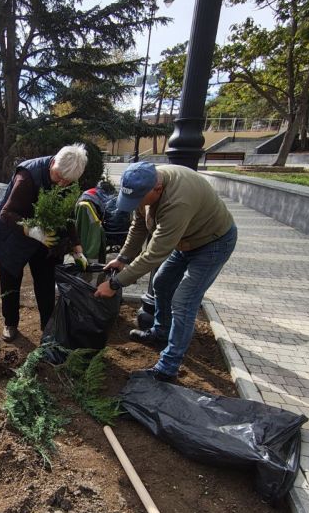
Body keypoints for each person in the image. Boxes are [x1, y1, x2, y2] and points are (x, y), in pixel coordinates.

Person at [95, 161, 237, 382]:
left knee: (184, 301)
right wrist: (122, 258)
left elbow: (154, 254)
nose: (135, 205)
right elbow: (139, 227)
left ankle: (168, 367)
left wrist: (115, 284)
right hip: (184, 240)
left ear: (157, 189)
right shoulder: (145, 186)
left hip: (212, 243)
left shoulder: (177, 202)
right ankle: (161, 332)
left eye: (138, 200)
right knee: (161, 282)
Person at [0, 144, 88, 341]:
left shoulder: (66, 178)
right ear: (54, 162)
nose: (62, 184)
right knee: (10, 280)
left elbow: (67, 215)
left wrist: (76, 248)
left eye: (67, 181)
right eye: (59, 177)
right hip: (13, 232)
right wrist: (31, 231)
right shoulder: (28, 175)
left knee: (46, 281)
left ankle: (48, 326)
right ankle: (10, 323)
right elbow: (7, 213)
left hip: (45, 236)